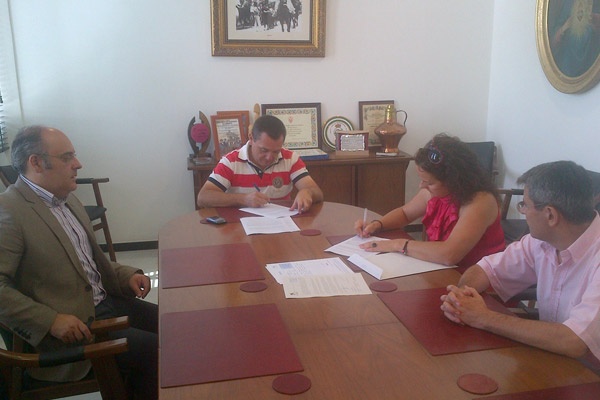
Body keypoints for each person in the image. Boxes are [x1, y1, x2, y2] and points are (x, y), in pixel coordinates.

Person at [0, 126, 158, 399]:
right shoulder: (9, 211)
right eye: (67, 157)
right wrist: (50, 321)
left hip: (103, 304)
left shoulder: (66, 200)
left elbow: (85, 263)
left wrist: (126, 275)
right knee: (157, 352)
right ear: (35, 163)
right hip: (73, 329)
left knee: (175, 327)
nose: (78, 164)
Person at [441, 161, 600, 372]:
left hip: (589, 374)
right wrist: (461, 298)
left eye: (525, 204)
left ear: (550, 215)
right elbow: (485, 269)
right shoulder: (541, 241)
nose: (522, 211)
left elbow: (574, 341)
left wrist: (483, 317)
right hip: (553, 361)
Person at [355, 133, 505, 271]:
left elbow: (449, 255)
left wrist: (397, 244)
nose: (422, 186)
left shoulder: (480, 202)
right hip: (441, 270)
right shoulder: (435, 192)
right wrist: (378, 224)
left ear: (454, 180)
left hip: (476, 280)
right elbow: (405, 213)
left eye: (429, 182)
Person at [197, 114, 323, 212]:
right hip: (239, 227)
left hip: (282, 225)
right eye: (264, 150)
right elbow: (203, 197)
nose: (269, 157)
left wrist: (308, 192)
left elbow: (317, 192)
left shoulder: (290, 159)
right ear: (251, 139)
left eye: (276, 151)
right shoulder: (231, 162)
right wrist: (243, 199)